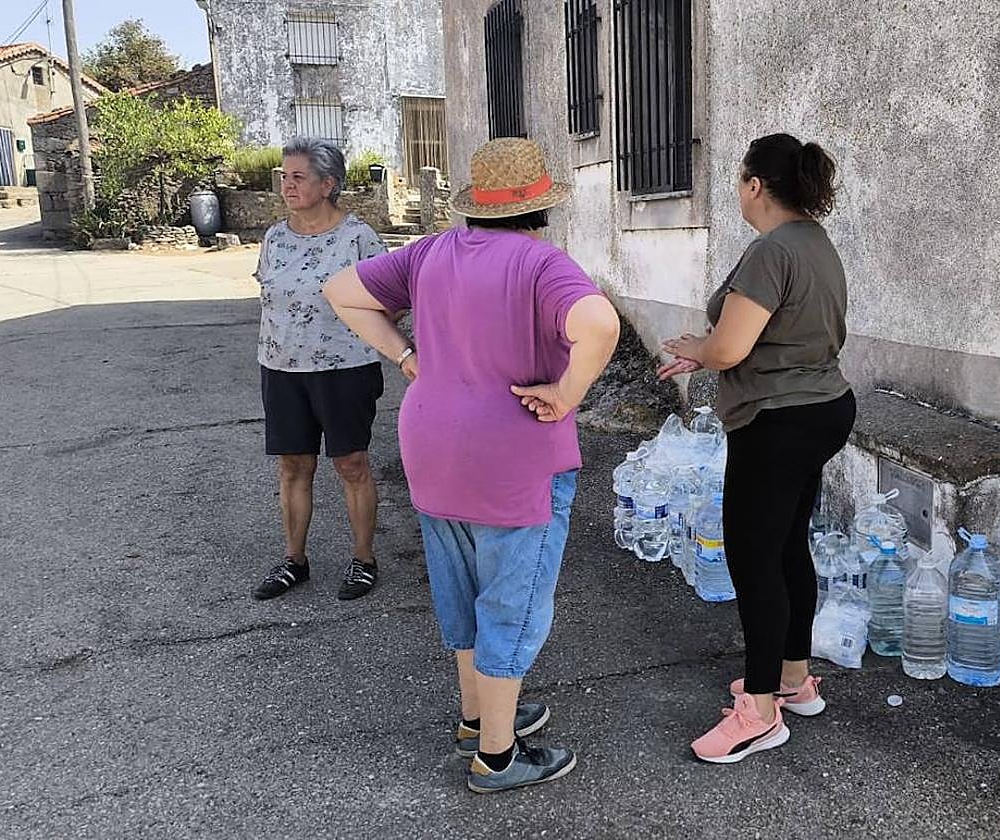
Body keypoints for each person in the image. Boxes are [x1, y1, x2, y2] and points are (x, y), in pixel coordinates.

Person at [322, 137, 620, 793]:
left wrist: (405, 356)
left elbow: (341, 291)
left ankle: (475, 714)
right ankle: (498, 755)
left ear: (473, 206)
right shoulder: (544, 265)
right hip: (513, 457)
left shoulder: (430, 253)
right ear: (540, 207)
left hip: (432, 447)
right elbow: (599, 324)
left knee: (460, 590)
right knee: (512, 604)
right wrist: (567, 395)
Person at [659, 133, 857, 764]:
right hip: (823, 406)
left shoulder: (770, 251)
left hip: (778, 418)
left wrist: (695, 347)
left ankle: (761, 711)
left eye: (739, 182)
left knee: (752, 558)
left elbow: (729, 348)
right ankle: (793, 680)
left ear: (754, 186)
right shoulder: (815, 242)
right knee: (787, 543)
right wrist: (707, 347)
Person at [251, 137, 390, 603]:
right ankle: (295, 560)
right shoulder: (274, 238)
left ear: (328, 184)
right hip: (281, 367)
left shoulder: (358, 238)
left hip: (345, 369)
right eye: (283, 177)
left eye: (298, 177)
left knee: (351, 464)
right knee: (293, 465)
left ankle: (364, 559)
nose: (287, 185)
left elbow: (390, 302)